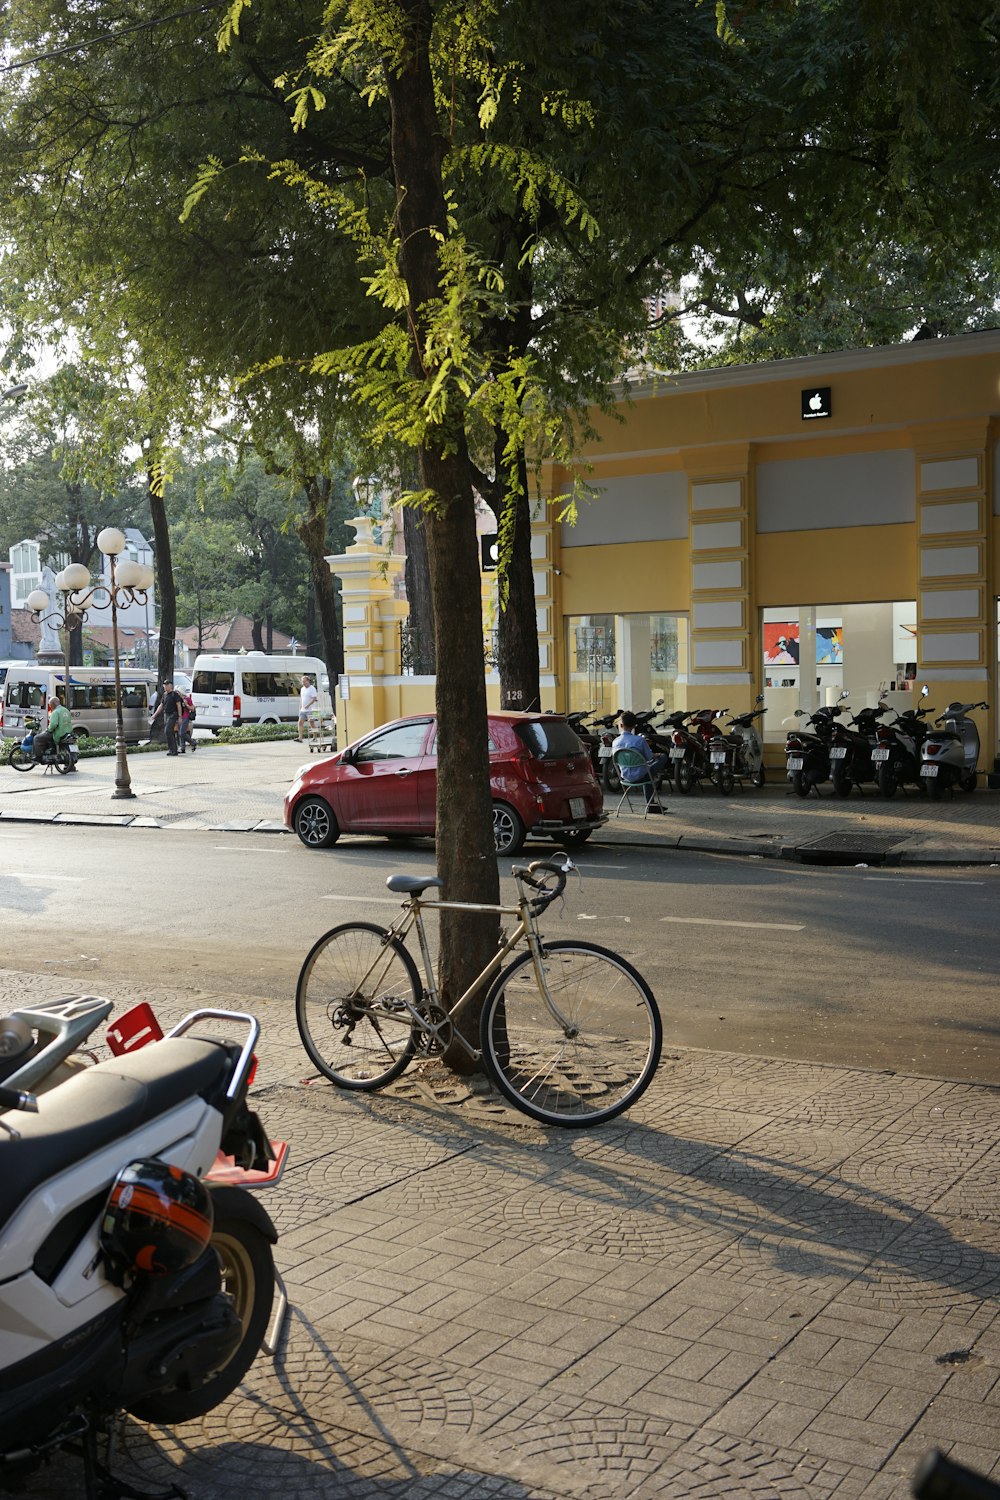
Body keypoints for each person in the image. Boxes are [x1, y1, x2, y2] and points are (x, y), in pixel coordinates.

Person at [612, 710, 669, 812]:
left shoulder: (615, 742)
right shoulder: (639, 740)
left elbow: (616, 760)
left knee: (646, 769)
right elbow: (649, 758)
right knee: (661, 758)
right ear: (634, 726)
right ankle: (650, 804)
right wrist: (658, 755)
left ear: (621, 725)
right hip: (641, 776)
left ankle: (651, 803)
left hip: (624, 776)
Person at [33, 695, 75, 769]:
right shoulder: (66, 710)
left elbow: (53, 725)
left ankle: (38, 757)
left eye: (50, 705)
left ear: (52, 704)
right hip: (68, 732)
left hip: (58, 734)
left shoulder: (55, 712)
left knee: (37, 738)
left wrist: (47, 730)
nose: (50, 706)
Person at [151, 679, 184, 755]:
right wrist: (155, 715)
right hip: (167, 714)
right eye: (164, 685)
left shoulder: (175, 694)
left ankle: (173, 749)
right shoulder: (165, 695)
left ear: (170, 686)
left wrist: (180, 717)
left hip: (173, 714)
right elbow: (161, 705)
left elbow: (178, 705)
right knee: (169, 732)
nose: (165, 687)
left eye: (167, 685)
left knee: (167, 730)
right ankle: (172, 750)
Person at [297, 673, 318, 740]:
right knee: (300, 722)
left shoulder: (312, 689)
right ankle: (300, 737)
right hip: (303, 710)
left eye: (304, 681)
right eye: (302, 682)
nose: (303, 683)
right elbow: (301, 698)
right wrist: (300, 706)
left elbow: (314, 698)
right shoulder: (302, 689)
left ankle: (315, 736)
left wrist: (308, 705)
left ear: (308, 681)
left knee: (312, 723)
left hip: (310, 710)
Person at [178, 689, 197, 755]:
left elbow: (192, 708)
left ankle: (192, 742)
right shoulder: (178, 699)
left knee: (182, 733)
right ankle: (182, 747)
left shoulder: (187, 699)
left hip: (185, 717)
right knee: (180, 732)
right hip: (179, 717)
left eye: (177, 692)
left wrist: (186, 704)